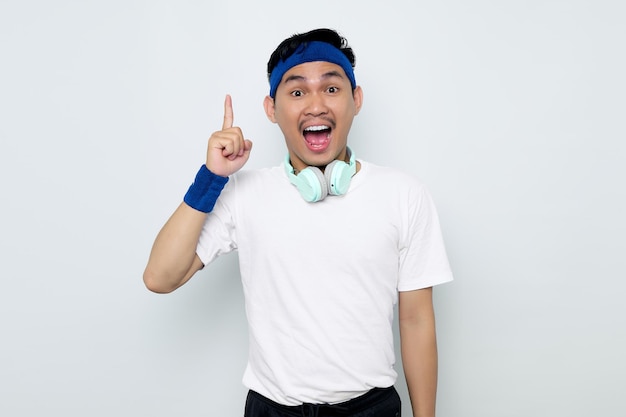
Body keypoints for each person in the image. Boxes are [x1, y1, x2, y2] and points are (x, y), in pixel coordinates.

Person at [144, 28, 453, 417]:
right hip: (272, 409)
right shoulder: (243, 193)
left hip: (370, 409)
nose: (315, 105)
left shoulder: (404, 194)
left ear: (356, 100)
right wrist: (211, 177)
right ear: (271, 110)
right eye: (296, 91)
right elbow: (160, 277)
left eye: (331, 88)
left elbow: (416, 319)